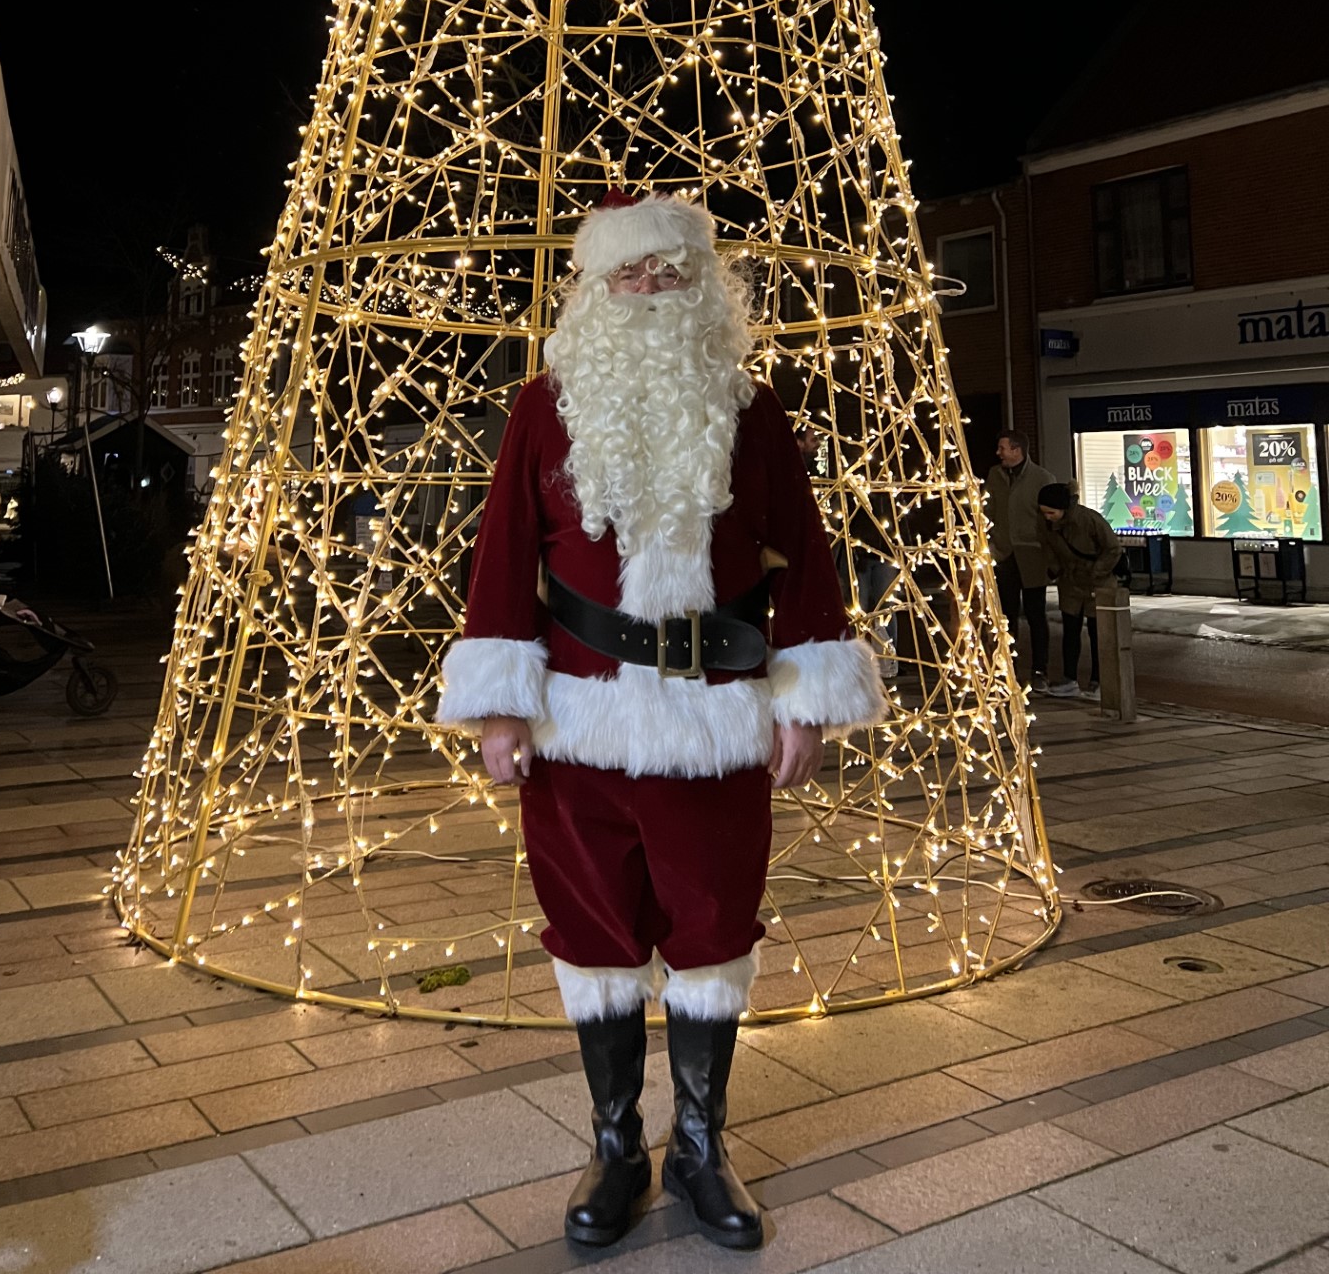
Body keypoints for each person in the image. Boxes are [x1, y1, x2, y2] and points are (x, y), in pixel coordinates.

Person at [437, 190, 887, 1252]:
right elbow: (504, 558)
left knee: (714, 930)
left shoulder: (752, 409)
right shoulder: (543, 409)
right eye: (629, 274)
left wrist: (808, 702)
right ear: (595, 289)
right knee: (592, 936)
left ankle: (699, 1145)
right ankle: (614, 1145)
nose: (650, 289)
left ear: (703, 287)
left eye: (670, 273)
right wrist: (498, 706)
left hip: (718, 719)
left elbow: (808, 562)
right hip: (577, 724)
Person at [1037, 482, 1121, 699]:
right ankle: (1069, 678)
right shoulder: (1047, 525)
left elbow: (1112, 548)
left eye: (1051, 512)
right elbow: (1048, 549)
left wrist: (1096, 572)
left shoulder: (1089, 520)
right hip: (1070, 582)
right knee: (1071, 631)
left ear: (1063, 508)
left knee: (1098, 632)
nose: (1047, 517)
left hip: (1098, 582)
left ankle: (1099, 681)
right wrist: (1054, 569)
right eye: (1044, 512)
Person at [986, 430, 1055, 687]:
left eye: (1003, 448)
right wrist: (991, 539)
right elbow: (988, 508)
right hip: (1004, 553)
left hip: (1032, 554)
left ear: (1017, 450)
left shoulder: (1041, 478)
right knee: (1006, 614)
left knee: (1036, 613)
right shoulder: (996, 475)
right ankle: (1006, 666)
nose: (999, 453)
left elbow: (1048, 519)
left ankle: (1040, 669)